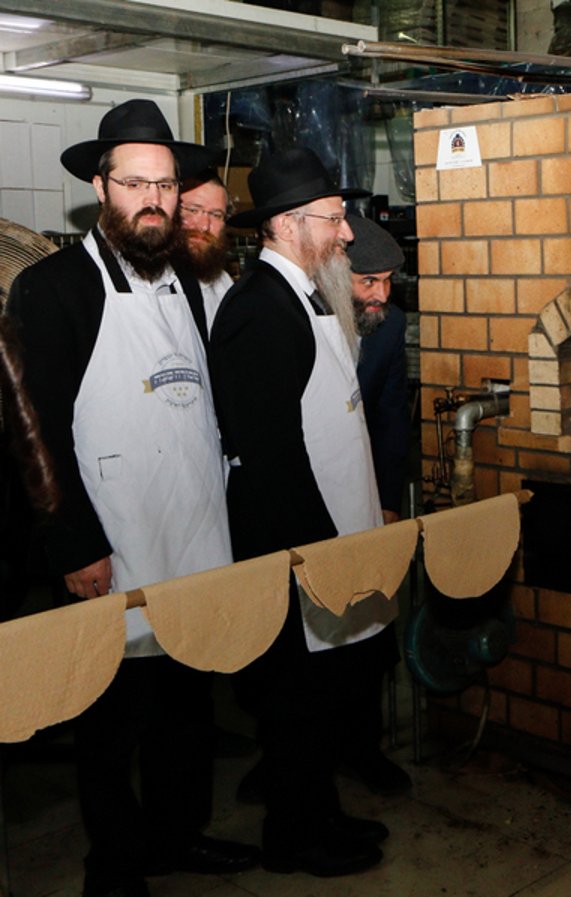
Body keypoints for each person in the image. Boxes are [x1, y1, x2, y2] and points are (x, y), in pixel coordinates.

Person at [6, 99, 259, 897]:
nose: (153, 199)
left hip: (192, 533)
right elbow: (30, 429)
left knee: (188, 704)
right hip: (110, 544)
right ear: (100, 184)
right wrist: (74, 543)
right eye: (134, 184)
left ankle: (178, 837)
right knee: (112, 724)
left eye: (165, 186)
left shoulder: (185, 277)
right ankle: (113, 868)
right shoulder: (55, 288)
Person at [208, 147, 396, 877]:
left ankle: (324, 813)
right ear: (288, 225)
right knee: (293, 708)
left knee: (322, 706)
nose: (346, 234)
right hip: (297, 552)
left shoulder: (307, 295)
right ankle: (295, 839)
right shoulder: (260, 309)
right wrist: (317, 556)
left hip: (333, 542)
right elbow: (273, 456)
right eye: (334, 219)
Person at [339, 214, 412, 795]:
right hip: (309, 496)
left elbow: (392, 416)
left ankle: (364, 749)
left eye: (389, 281)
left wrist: (389, 501)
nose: (380, 295)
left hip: (366, 496)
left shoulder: (389, 328)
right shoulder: (302, 319)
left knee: (367, 633)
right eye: (369, 282)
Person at [178, 169, 234, 326]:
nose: (204, 226)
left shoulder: (223, 284)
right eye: (193, 210)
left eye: (216, 215)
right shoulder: (150, 282)